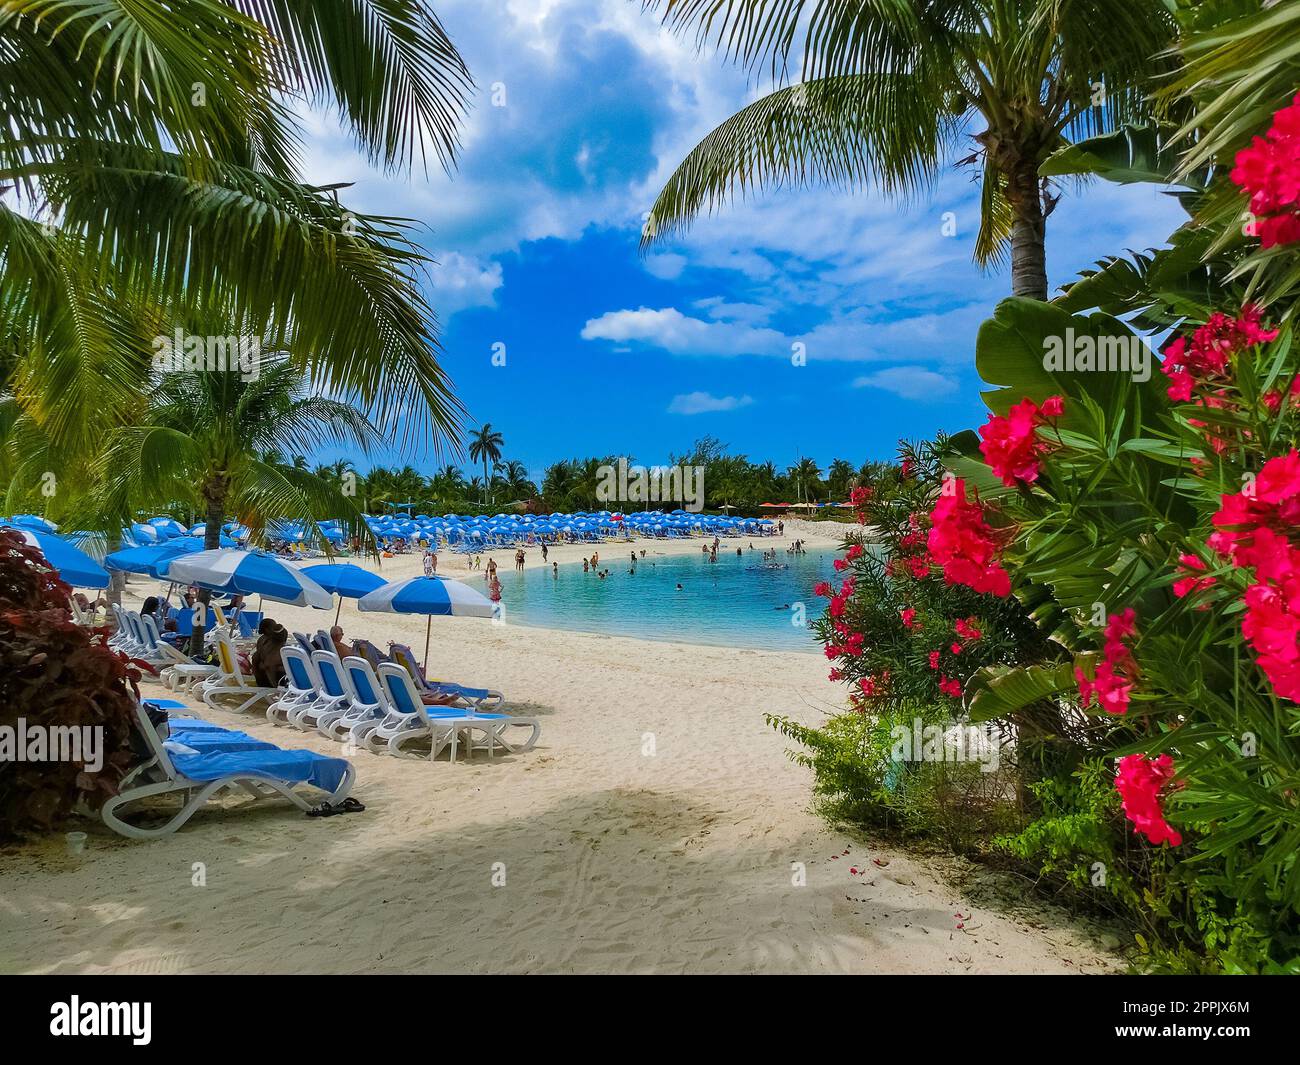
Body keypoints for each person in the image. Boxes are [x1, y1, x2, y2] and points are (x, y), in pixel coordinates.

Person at [251, 620, 288, 688]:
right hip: (271, 681)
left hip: (261, 679)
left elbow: (256, 659)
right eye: (273, 627)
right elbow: (269, 665)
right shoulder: (275, 645)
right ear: (267, 629)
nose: (275, 628)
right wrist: (275, 685)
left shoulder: (262, 639)